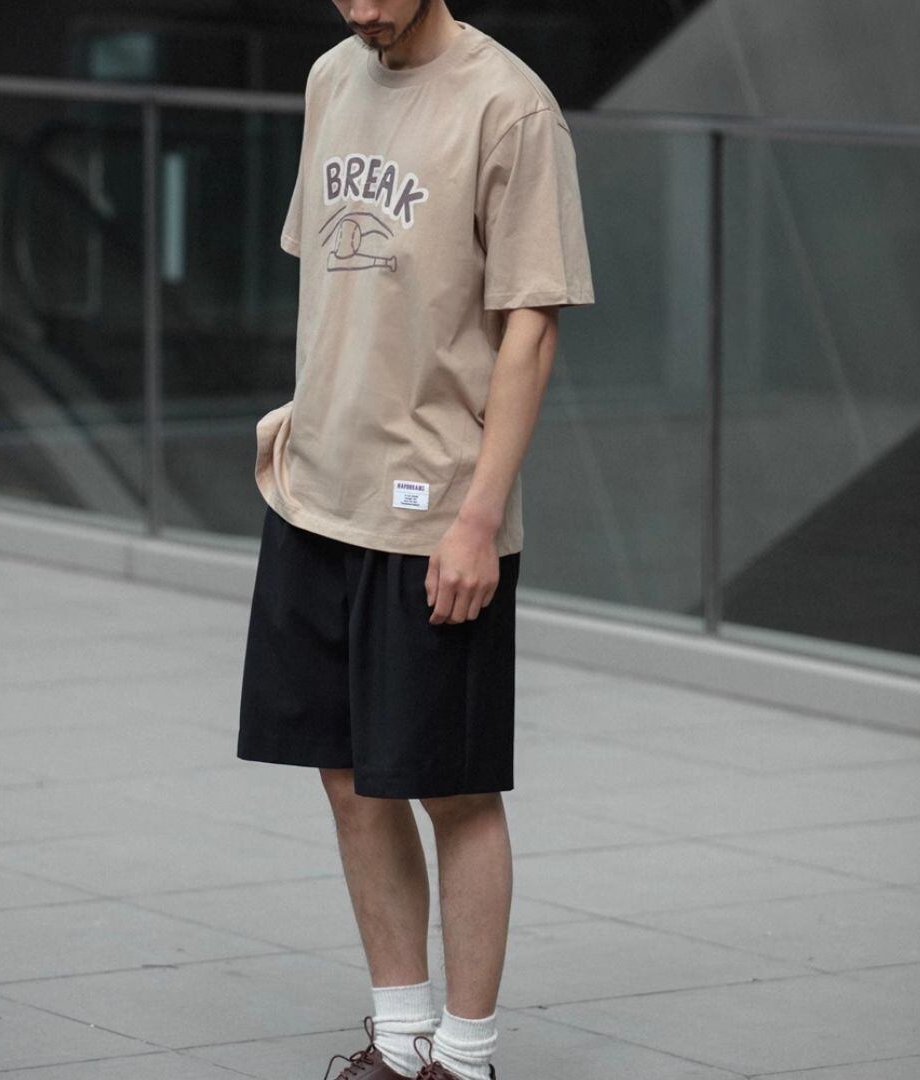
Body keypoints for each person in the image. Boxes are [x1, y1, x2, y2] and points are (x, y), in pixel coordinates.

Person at [237, 1, 594, 1076]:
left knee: (454, 787)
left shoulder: (510, 107)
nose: (361, 11)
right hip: (315, 495)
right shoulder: (331, 77)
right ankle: (399, 1042)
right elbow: (338, 275)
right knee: (347, 775)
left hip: (434, 512)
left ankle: (466, 1056)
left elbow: (532, 327)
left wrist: (478, 516)